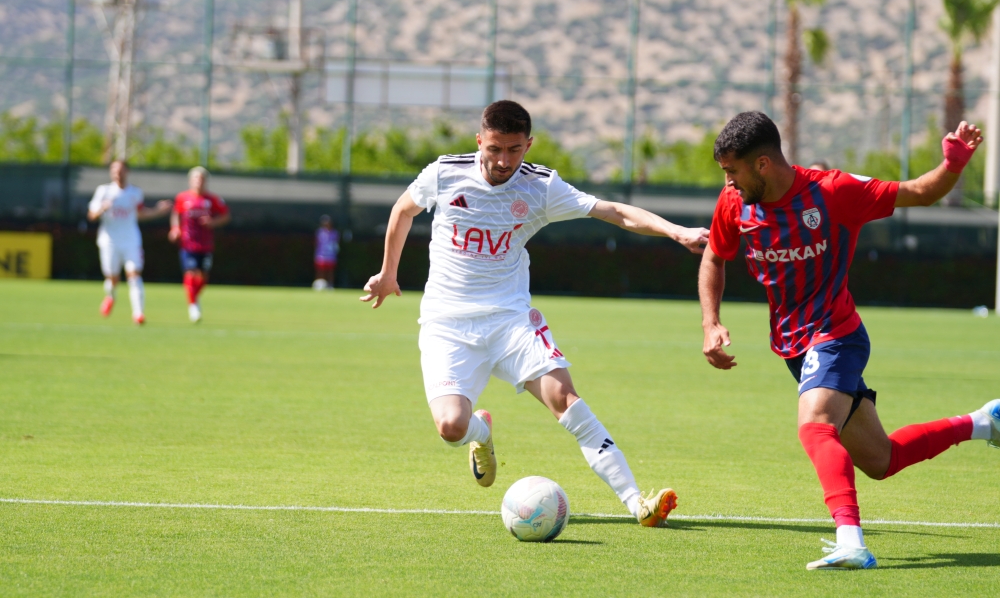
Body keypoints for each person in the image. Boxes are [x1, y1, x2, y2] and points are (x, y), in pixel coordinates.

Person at [360, 100, 710, 527]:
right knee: (451, 427)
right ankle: (481, 432)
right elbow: (403, 209)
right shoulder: (445, 173)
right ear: (479, 141)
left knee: (566, 400)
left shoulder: (541, 187)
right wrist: (388, 273)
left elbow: (614, 211)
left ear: (528, 145)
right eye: (494, 149)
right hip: (447, 325)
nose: (503, 160)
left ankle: (637, 502)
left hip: (510, 321)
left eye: (514, 149)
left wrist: (676, 231)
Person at [698, 111, 1000, 570]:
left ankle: (851, 541)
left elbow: (920, 192)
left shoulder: (833, 192)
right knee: (882, 460)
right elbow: (714, 258)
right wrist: (710, 322)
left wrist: (953, 165)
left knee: (814, 425)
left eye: (732, 171)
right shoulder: (733, 203)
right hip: (794, 346)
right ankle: (983, 422)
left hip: (837, 334)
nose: (728, 182)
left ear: (762, 164)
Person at [87, 159, 172, 324]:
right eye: (114, 170)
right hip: (109, 241)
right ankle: (111, 296)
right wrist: (102, 209)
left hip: (131, 240)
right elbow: (91, 215)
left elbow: (140, 213)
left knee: (134, 274)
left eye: (120, 170)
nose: (117, 173)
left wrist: (158, 211)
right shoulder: (103, 191)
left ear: (127, 171)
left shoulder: (135, 193)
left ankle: (138, 313)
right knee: (113, 278)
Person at [169, 166, 230, 322]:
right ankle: (193, 307)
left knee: (202, 278)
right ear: (190, 180)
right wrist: (175, 229)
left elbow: (225, 216)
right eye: (196, 178)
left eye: (201, 179)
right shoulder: (182, 198)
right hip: (188, 243)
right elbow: (176, 213)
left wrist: (212, 222)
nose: (199, 181)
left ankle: (194, 299)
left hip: (206, 244)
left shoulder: (212, 199)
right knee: (191, 274)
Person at [313, 215, 340, 290]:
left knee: (330, 272)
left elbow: (335, 244)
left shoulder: (334, 233)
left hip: (331, 256)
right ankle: (319, 285)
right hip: (321, 255)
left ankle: (330, 285)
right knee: (320, 271)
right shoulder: (320, 232)